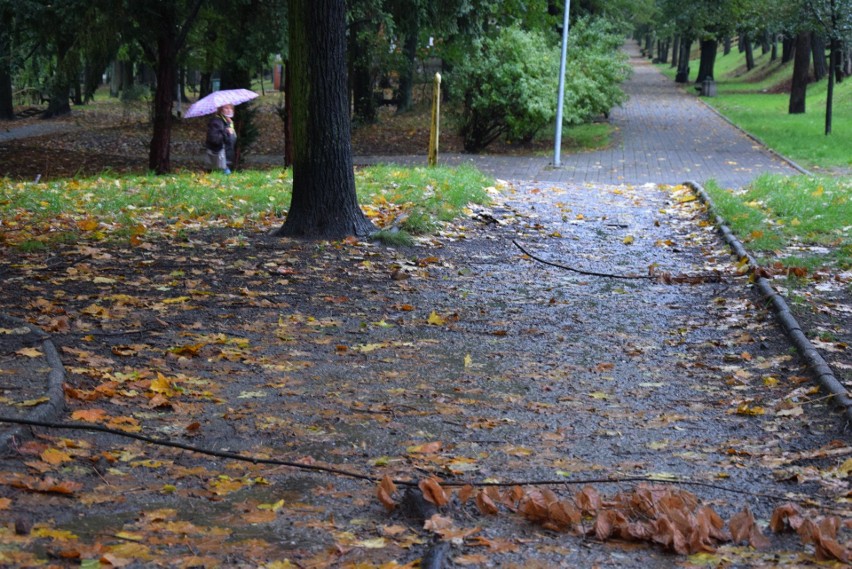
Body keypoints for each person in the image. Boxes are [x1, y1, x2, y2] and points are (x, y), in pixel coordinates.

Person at [205, 104, 237, 174]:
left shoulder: (228, 122)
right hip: (220, 159)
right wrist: (226, 131)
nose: (229, 110)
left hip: (226, 160)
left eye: (231, 108)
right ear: (221, 110)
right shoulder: (216, 122)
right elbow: (214, 139)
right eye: (226, 108)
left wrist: (230, 125)